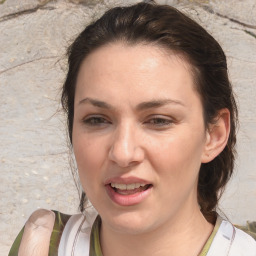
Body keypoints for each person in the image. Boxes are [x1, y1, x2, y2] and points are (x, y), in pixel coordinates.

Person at [8, 1, 256, 256]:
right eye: (97, 119)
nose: (123, 153)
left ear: (214, 135)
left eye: (158, 120)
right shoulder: (41, 243)